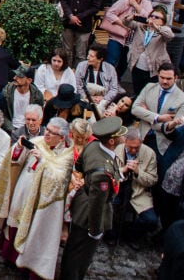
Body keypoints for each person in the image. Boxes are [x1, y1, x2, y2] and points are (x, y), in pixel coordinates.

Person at [0, 117, 73, 280]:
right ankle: (11, 257)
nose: (47, 134)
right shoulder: (37, 141)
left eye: (52, 132)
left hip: (40, 203)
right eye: (48, 130)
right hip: (23, 192)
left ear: (62, 137)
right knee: (16, 223)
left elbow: (58, 180)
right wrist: (19, 147)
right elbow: (16, 159)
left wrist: (42, 161)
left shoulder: (66, 156)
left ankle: (28, 265)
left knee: (33, 232)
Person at [58, 117, 127, 280]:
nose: (122, 137)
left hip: (83, 200)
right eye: (119, 136)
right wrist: (95, 231)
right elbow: (97, 206)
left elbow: (80, 165)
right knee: (80, 256)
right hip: (88, 215)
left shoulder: (94, 145)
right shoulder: (102, 175)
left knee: (73, 249)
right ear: (111, 141)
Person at [113, 127, 159, 240]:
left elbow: (153, 180)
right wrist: (122, 170)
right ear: (125, 142)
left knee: (151, 221)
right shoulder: (117, 150)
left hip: (139, 192)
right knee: (108, 209)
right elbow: (110, 174)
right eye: (130, 148)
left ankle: (131, 235)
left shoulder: (149, 153)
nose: (133, 151)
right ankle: (113, 233)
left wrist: (138, 172)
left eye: (136, 147)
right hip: (119, 189)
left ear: (141, 142)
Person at [59, 0, 104, 65]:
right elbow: (63, 0)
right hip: (68, 23)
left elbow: (96, 7)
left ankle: (79, 75)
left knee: (81, 54)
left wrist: (78, 17)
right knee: (67, 51)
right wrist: (70, 15)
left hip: (84, 25)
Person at [127, 5, 175, 94]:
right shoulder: (141, 26)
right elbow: (126, 23)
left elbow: (170, 36)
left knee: (149, 93)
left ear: (163, 21)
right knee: (137, 91)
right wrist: (130, 17)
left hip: (153, 69)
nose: (153, 18)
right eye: (151, 16)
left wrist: (156, 27)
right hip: (137, 65)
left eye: (157, 17)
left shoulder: (163, 30)